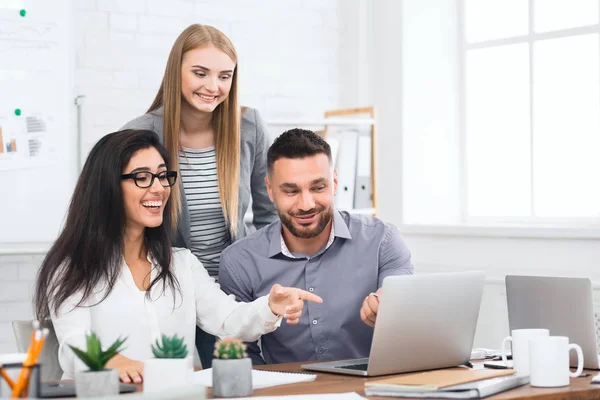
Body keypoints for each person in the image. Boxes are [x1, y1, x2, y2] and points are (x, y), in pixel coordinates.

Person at [33, 130, 322, 383]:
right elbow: (73, 345)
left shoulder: (181, 264)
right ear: (107, 187)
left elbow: (229, 320)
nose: (159, 187)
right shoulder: (72, 267)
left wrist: (270, 306)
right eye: (142, 178)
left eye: (162, 175)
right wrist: (110, 361)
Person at [121, 24, 277, 367]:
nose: (213, 87)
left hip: (235, 290)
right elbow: (124, 219)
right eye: (200, 73)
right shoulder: (139, 134)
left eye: (225, 76)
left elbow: (270, 214)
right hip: (168, 287)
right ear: (176, 72)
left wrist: (271, 279)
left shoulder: (248, 126)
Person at [219, 128, 414, 365]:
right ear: (270, 189)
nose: (306, 204)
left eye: (318, 188)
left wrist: (391, 307)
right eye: (291, 191)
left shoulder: (382, 241)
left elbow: (405, 311)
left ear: (334, 182)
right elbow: (239, 353)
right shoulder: (240, 261)